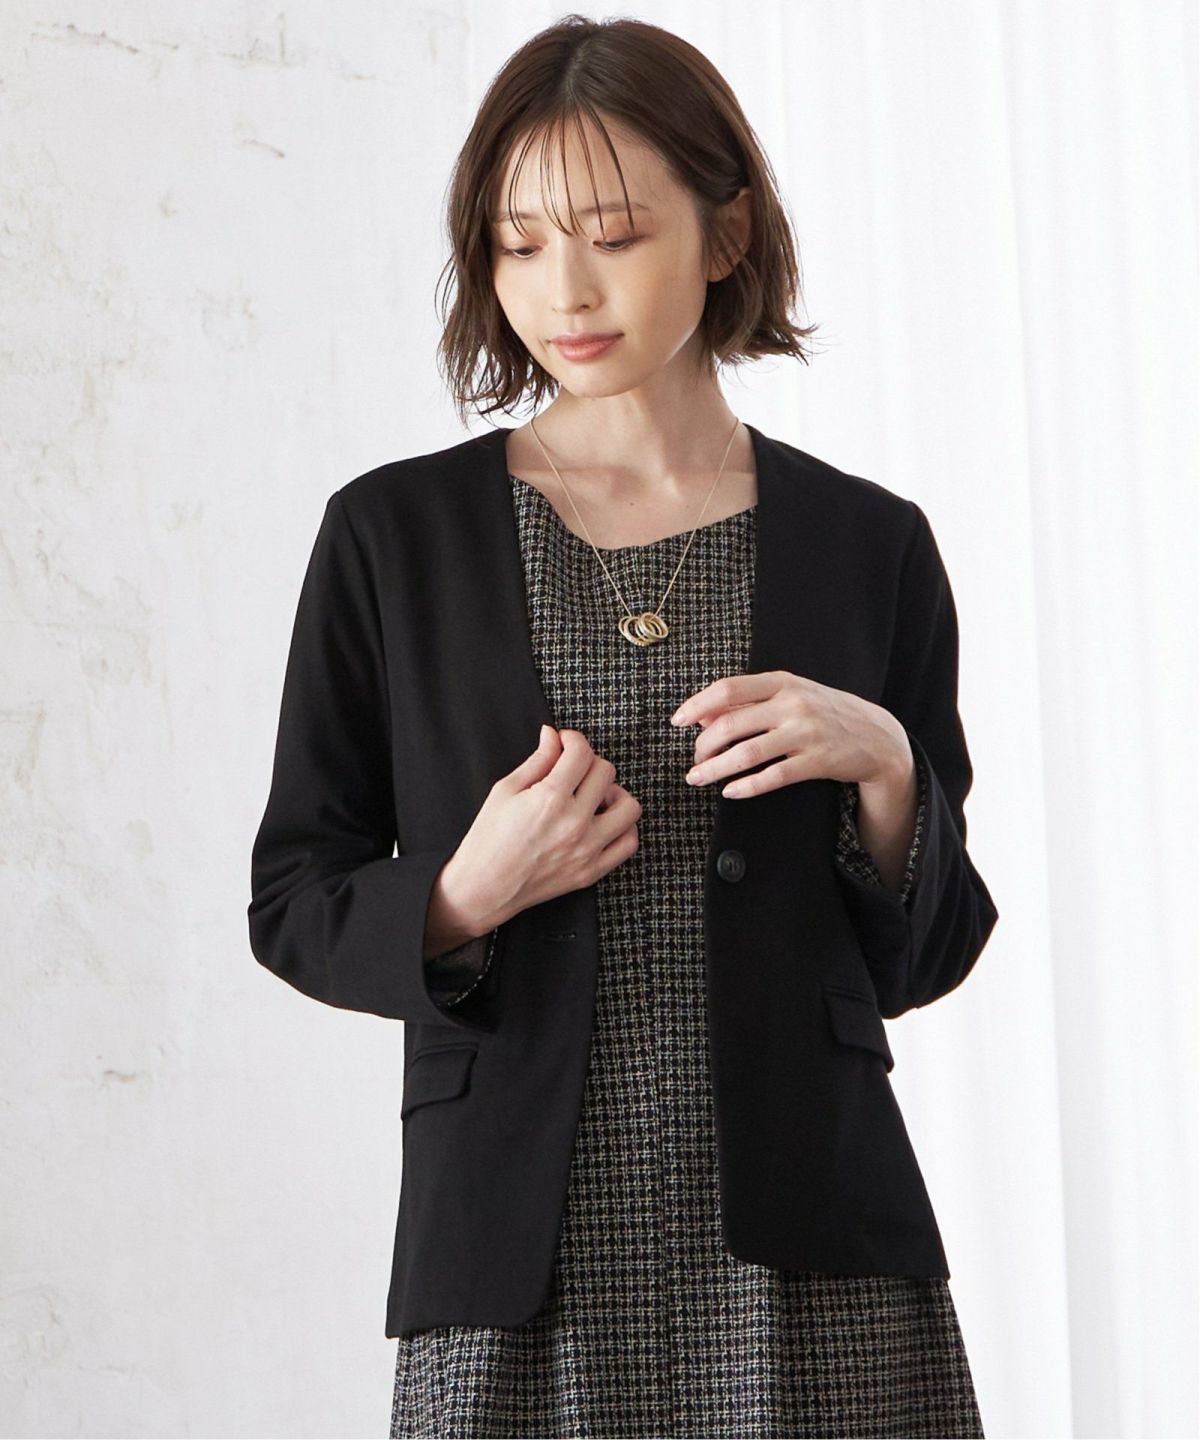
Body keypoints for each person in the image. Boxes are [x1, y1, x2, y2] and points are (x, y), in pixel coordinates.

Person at [248, 14, 999, 1438]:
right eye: (519, 244)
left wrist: (888, 767)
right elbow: (291, 900)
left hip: (815, 1265)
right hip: (513, 1261)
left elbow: (932, 950)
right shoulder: (393, 538)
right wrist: (463, 894)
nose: (565, 290)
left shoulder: (867, 545)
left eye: (614, 235)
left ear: (726, 236)